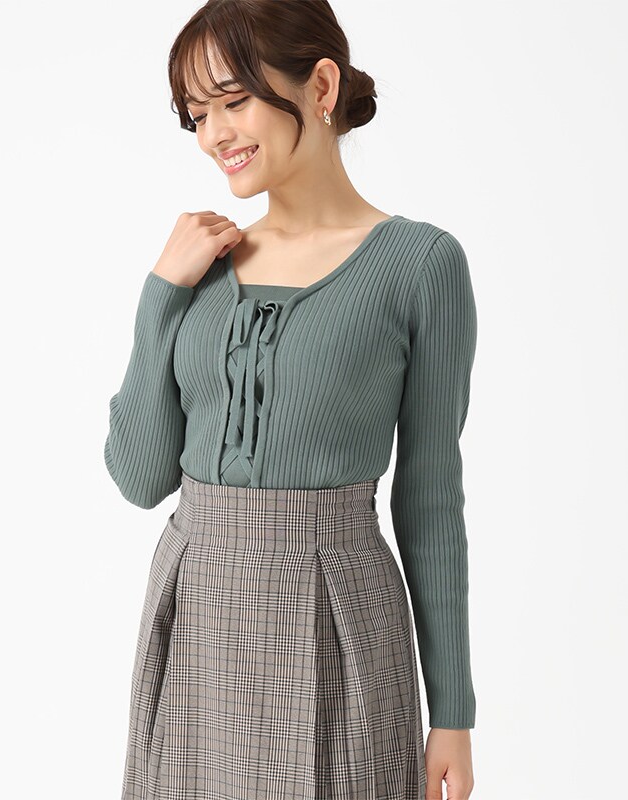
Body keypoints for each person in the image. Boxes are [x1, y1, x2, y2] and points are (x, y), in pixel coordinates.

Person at [104, 1, 477, 798]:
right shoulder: (201, 266)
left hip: (337, 616)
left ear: (322, 86)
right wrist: (160, 292)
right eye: (196, 114)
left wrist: (453, 711)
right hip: (195, 613)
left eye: (233, 101)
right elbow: (138, 477)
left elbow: (430, 499)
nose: (213, 135)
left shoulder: (420, 264)